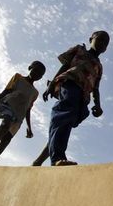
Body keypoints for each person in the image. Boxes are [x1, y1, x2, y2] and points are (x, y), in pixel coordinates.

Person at [43, 30, 109, 166]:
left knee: (68, 121)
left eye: (106, 43)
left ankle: (46, 158)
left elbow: (96, 88)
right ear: (91, 38)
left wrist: (98, 105)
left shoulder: (99, 66)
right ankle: (57, 158)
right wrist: (52, 83)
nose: (102, 44)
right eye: (100, 39)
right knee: (64, 114)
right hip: (70, 83)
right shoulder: (79, 50)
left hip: (83, 95)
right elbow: (65, 65)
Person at [0, 61, 46, 165]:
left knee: (6, 139)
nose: (37, 74)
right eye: (36, 70)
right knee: (5, 124)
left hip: (19, 116)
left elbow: (28, 109)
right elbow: (7, 90)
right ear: (30, 67)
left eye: (40, 74)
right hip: (8, 105)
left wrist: (29, 127)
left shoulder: (35, 92)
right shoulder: (18, 77)